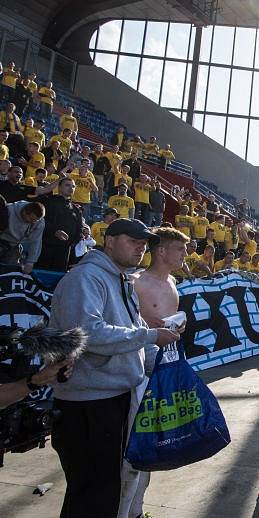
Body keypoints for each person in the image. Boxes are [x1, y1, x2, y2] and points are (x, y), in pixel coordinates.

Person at [49, 218, 180, 517]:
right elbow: (88, 333)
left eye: (144, 242)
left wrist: (158, 363)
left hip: (114, 397)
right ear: (108, 241)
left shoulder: (122, 280)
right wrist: (149, 336)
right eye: (133, 240)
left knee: (107, 489)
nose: (141, 247)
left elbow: (134, 329)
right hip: (88, 405)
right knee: (91, 494)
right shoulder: (85, 279)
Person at [121, 227, 189, 518]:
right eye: (179, 248)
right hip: (137, 371)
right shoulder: (135, 282)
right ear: (161, 251)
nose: (185, 254)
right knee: (132, 451)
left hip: (164, 369)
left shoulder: (173, 282)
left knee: (153, 447)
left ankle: (136, 510)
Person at [35, 177, 84, 272]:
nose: (71, 188)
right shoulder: (48, 201)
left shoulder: (76, 209)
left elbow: (80, 229)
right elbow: (40, 220)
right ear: (59, 187)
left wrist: (73, 242)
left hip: (65, 251)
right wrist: (54, 231)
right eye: (67, 185)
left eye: (73, 186)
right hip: (45, 246)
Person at [0, 200, 45, 273]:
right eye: (32, 219)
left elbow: (36, 242)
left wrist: (30, 262)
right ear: (24, 212)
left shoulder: (39, 222)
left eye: (36, 220)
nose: (33, 222)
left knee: (10, 272)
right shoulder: (8, 210)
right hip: (2, 240)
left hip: (15, 247)